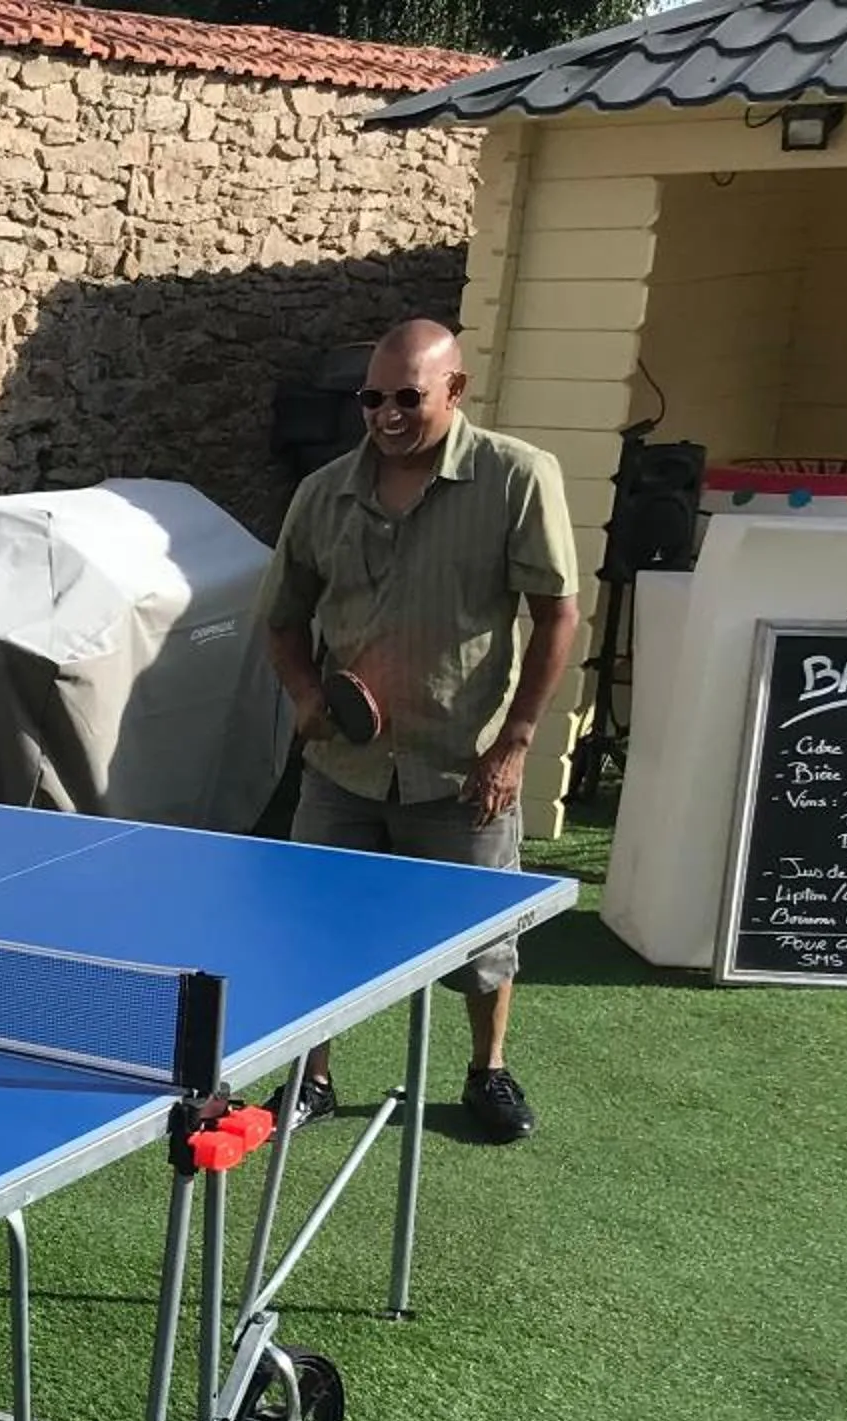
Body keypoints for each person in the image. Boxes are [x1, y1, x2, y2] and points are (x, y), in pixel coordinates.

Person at [257, 317, 580, 1143]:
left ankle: (488, 1072)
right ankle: (311, 1078)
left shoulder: (516, 477)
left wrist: (515, 743)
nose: (387, 415)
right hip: (344, 768)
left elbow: (557, 614)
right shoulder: (322, 492)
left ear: (456, 390)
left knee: (483, 946)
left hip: (463, 767)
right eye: (373, 399)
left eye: (408, 397)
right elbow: (282, 618)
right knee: (313, 932)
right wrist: (304, 694)